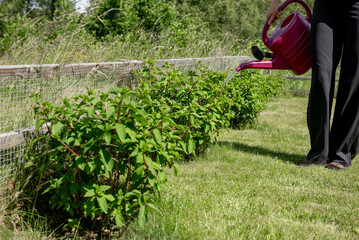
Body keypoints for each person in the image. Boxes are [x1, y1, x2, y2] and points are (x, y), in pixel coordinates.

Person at [267, 0, 359, 170]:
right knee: (321, 73)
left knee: (353, 79)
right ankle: (318, 153)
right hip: (326, 7)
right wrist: (274, 4)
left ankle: (341, 154)